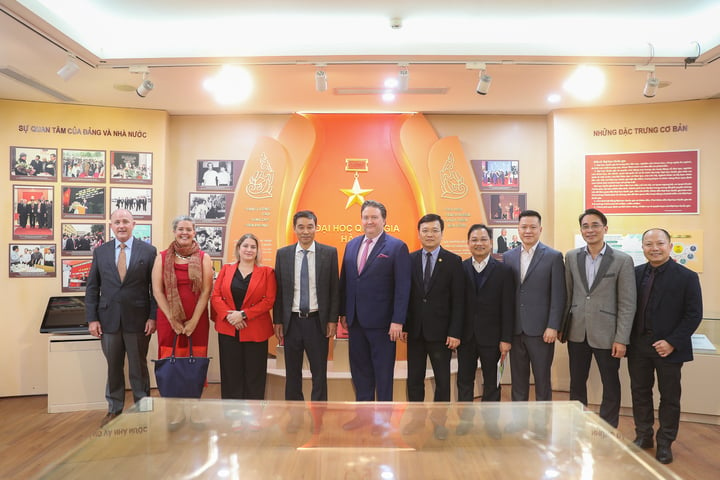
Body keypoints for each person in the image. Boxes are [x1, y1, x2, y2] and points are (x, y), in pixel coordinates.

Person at [627, 228, 703, 464]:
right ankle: (644, 435)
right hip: (638, 346)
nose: (654, 248)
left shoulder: (687, 277)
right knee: (640, 393)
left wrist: (671, 342)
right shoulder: (634, 274)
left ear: (670, 246)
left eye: (660, 243)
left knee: (669, 397)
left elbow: (693, 315)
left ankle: (665, 442)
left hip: (668, 348)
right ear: (642, 247)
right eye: (649, 244)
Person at [563, 208, 636, 428]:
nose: (590, 230)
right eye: (585, 226)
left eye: (595, 225)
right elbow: (567, 295)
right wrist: (561, 327)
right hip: (577, 331)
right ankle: (577, 425)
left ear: (605, 229)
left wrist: (621, 338)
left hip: (608, 334)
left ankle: (607, 429)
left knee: (610, 384)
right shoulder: (572, 257)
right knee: (576, 383)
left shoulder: (622, 260)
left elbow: (627, 303)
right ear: (581, 230)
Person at [85, 209, 157, 427]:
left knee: (138, 367)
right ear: (111, 226)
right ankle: (114, 410)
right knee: (113, 367)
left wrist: (153, 317)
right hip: (108, 320)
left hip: (138, 319)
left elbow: (155, 288)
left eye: (126, 221)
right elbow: (92, 288)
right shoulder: (101, 252)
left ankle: (142, 411)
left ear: (134, 224)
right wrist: (92, 319)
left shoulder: (149, 251)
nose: (121, 225)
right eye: (117, 222)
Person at [339, 200, 411, 405]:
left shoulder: (397, 247)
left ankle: (383, 422)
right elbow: (346, 280)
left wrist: (398, 320)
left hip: (383, 325)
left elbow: (402, 287)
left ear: (384, 220)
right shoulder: (352, 245)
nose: (369, 221)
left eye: (374, 217)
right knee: (360, 374)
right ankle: (364, 417)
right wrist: (344, 312)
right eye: (365, 217)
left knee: (383, 375)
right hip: (355, 323)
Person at [401, 213, 463, 439]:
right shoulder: (409, 259)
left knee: (442, 381)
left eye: (434, 230)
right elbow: (404, 296)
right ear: (419, 234)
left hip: (442, 334)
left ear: (441, 233)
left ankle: (440, 422)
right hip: (415, 332)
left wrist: (455, 332)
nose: (429, 235)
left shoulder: (453, 261)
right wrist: (405, 324)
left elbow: (458, 301)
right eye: (425, 231)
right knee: (414, 379)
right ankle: (417, 420)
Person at [273, 210, 339, 401]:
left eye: (310, 227)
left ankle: (319, 416)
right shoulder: (283, 254)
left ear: (316, 228)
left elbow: (335, 289)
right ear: (294, 229)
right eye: (301, 227)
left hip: (317, 322)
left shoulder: (329, 253)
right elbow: (279, 291)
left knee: (319, 373)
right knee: (292, 373)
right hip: (291, 322)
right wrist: (278, 320)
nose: (305, 231)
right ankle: (294, 415)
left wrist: (332, 319)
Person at [503, 210, 565, 401]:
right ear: (518, 229)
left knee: (542, 380)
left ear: (540, 229)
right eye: (524, 227)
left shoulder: (553, 256)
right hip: (516, 329)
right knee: (518, 381)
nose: (528, 231)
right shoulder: (508, 256)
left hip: (541, 331)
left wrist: (553, 326)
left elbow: (558, 294)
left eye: (532, 227)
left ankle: (543, 425)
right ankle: (518, 423)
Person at [210, 234, 276, 400]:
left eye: (253, 247)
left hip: (255, 331)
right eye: (245, 246)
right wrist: (231, 317)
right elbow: (216, 296)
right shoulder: (226, 269)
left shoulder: (267, 272)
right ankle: (232, 417)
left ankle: (254, 418)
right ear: (238, 249)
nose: (249, 250)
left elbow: (269, 301)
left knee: (255, 375)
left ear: (257, 251)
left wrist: (243, 315)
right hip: (228, 329)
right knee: (231, 374)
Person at [457, 224, 515, 406]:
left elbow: (508, 307)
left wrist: (506, 339)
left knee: (492, 382)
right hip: (466, 337)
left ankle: (491, 425)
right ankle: (465, 421)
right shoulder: (460, 268)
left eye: (483, 240)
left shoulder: (504, 271)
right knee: (464, 381)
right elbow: (456, 305)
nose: (479, 243)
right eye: (474, 240)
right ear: (468, 243)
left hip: (493, 338)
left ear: (491, 243)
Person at [152, 216, 213, 364]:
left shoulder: (204, 258)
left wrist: (193, 321)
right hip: (168, 318)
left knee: (195, 357)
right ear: (174, 231)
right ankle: (170, 387)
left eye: (188, 229)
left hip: (197, 319)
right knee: (169, 358)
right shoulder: (162, 257)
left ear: (194, 233)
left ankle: (193, 387)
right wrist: (172, 320)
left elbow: (206, 291)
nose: (184, 233)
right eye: (180, 229)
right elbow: (157, 291)